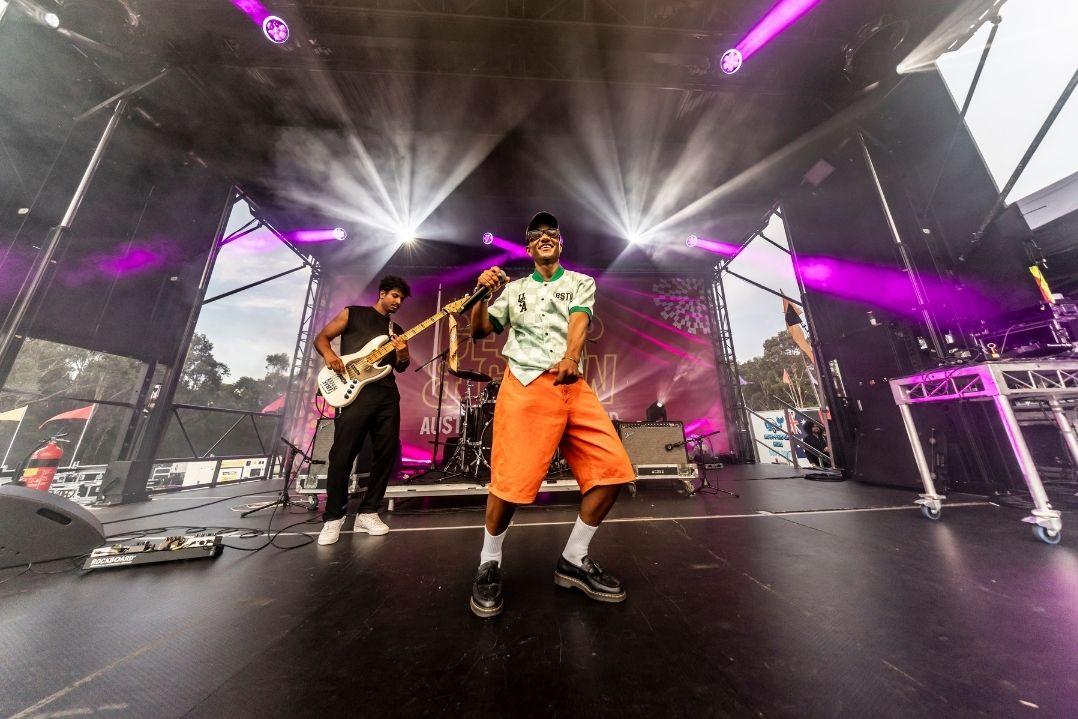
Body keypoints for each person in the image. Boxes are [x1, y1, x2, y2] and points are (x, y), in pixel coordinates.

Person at [467, 211, 636, 618]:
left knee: (613, 471)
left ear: (561, 244)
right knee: (509, 485)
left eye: (552, 233)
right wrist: (480, 294)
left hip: (571, 383)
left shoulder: (581, 282)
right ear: (528, 248)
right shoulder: (514, 290)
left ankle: (573, 560)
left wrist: (570, 356)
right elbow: (478, 330)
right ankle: (489, 562)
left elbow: (579, 319)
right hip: (525, 385)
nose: (545, 237)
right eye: (536, 235)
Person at [313, 275, 411, 545]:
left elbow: (401, 366)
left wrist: (401, 351)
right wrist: (331, 356)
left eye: (401, 299)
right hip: (353, 393)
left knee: (386, 453)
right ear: (381, 294)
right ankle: (333, 518)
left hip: (386, 396)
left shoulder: (397, 330)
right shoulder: (353, 314)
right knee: (343, 454)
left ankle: (368, 512)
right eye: (394, 295)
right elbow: (322, 338)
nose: (398, 302)